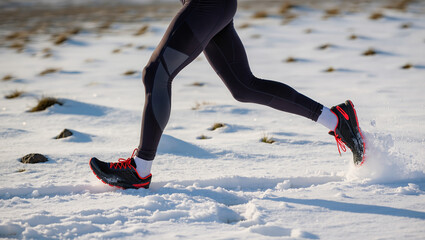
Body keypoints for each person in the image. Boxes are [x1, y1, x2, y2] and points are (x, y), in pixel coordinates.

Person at [89, 0, 365, 190]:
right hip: (212, 6)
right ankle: (337, 120)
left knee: (156, 74)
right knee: (244, 87)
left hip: (207, 5)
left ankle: (140, 169)